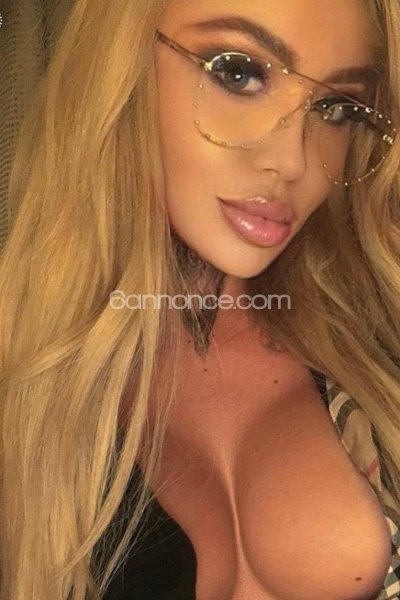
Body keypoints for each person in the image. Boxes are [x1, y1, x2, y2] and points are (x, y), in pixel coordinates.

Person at [0, 0, 400, 598]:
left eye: (336, 107)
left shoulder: (379, 328)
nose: (291, 161)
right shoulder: (21, 378)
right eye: (239, 72)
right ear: (118, 67)